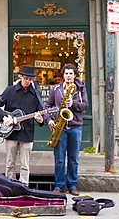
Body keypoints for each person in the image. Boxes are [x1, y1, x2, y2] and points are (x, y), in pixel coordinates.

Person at [0, 65, 44, 186]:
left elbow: (41, 113)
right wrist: (4, 117)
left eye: (30, 79)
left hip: (27, 133)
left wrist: (40, 120)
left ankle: (24, 187)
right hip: (11, 132)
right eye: (25, 78)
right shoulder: (10, 90)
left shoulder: (36, 94)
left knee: (25, 165)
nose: (27, 81)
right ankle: (10, 185)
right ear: (20, 76)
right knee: (10, 163)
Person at [44, 63, 89, 196]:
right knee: (59, 159)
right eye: (66, 73)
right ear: (63, 75)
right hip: (60, 127)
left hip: (75, 127)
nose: (68, 76)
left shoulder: (81, 88)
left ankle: (73, 185)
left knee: (73, 158)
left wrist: (73, 103)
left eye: (71, 73)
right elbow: (47, 105)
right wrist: (49, 120)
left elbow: (85, 105)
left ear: (75, 75)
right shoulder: (56, 88)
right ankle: (58, 185)